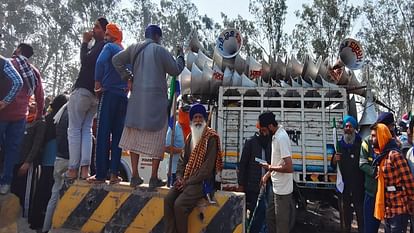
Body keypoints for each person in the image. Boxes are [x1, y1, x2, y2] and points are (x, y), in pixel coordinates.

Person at [112, 24, 185, 188]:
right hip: (156, 103)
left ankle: (135, 176)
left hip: (136, 101)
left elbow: (116, 60)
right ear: (158, 37)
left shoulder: (134, 48)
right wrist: (181, 57)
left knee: (134, 137)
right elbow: (175, 70)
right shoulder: (160, 50)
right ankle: (153, 177)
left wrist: (127, 76)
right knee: (158, 137)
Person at [163, 104, 222, 233]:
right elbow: (182, 161)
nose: (198, 120)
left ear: (205, 119)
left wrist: (187, 182)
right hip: (186, 180)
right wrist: (179, 178)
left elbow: (207, 169)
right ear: (191, 120)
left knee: (179, 205)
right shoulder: (190, 137)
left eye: (200, 117)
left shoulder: (211, 138)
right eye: (195, 117)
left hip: (202, 182)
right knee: (168, 200)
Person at [66, 17, 108, 180]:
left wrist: (84, 43)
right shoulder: (105, 47)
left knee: (75, 129)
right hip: (94, 95)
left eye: (97, 27)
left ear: (105, 31)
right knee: (86, 129)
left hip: (83, 90)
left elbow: (85, 61)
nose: (93, 30)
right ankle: (84, 170)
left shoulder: (101, 46)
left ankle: (73, 169)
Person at [0, 43, 44, 195]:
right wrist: (38, 116)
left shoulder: (9, 63)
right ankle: (5, 183)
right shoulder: (33, 71)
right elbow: (40, 96)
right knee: (12, 150)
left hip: (3, 112)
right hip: (20, 116)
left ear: (18, 50)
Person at [87, 23, 127, 184]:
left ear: (111, 36)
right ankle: (114, 174)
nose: (105, 38)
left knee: (103, 133)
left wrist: (97, 84)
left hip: (109, 93)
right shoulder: (125, 52)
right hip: (123, 97)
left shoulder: (109, 47)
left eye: (107, 35)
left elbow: (99, 63)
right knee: (118, 136)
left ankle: (100, 174)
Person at [28, 94, 67, 230]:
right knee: (52, 194)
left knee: (41, 191)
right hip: (56, 160)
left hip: (45, 161)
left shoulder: (48, 120)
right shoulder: (62, 120)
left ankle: (36, 221)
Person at [371, 123, 414, 233]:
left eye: (374, 136)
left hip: (398, 208)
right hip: (388, 209)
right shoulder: (382, 157)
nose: (372, 139)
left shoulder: (394, 155)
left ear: (382, 136)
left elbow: (408, 181)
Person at [360, 112, 397, 233]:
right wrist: (374, 171)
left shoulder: (394, 145)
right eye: (390, 126)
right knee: (370, 228)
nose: (391, 129)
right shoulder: (368, 142)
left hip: (390, 197)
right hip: (372, 193)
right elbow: (362, 163)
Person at [259, 111, 295, 233]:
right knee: (270, 218)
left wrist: (269, 167)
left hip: (283, 191)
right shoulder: (275, 136)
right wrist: (267, 174)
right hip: (275, 187)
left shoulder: (281, 138)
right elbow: (279, 162)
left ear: (270, 126)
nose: (263, 133)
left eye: (264, 130)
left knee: (281, 225)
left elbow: (289, 167)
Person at [238, 121, 272, 233]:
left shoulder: (269, 143)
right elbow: (243, 165)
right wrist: (241, 184)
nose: (264, 132)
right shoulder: (251, 142)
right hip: (253, 186)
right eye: (262, 130)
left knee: (263, 213)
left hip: (266, 185)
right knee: (256, 213)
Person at [332, 115, 364, 233]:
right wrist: (335, 160)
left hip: (358, 186)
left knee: (360, 215)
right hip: (344, 186)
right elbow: (333, 165)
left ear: (354, 128)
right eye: (346, 126)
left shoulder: (361, 143)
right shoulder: (339, 145)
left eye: (350, 126)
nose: (348, 128)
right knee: (345, 216)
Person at [42, 102, 69, 232]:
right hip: (69, 160)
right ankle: (54, 229)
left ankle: (46, 228)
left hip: (59, 158)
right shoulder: (74, 114)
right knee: (64, 198)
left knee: (54, 196)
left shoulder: (59, 115)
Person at [165, 106, 186, 187]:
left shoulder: (194, 127)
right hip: (174, 171)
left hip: (189, 172)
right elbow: (166, 148)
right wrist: (182, 151)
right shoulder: (174, 127)